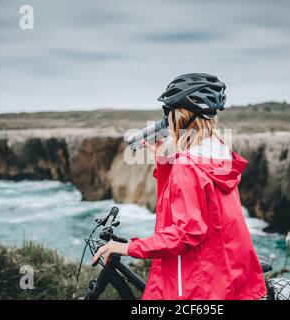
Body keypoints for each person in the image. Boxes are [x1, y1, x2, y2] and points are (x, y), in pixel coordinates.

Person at [92, 73, 266, 300]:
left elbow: (184, 234)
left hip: (200, 285)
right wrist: (163, 163)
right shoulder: (219, 155)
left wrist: (127, 248)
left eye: (168, 111)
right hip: (225, 275)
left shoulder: (187, 165)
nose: (166, 119)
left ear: (181, 115)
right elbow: (189, 206)